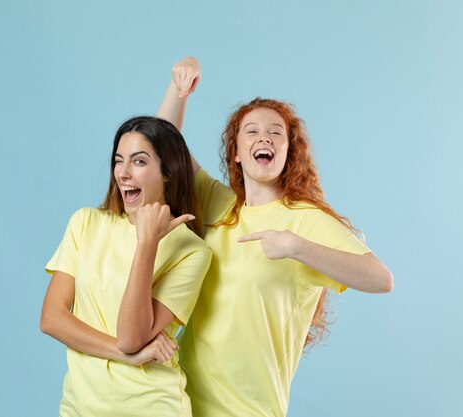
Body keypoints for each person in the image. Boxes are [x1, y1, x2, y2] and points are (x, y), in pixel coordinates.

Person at [157, 57, 394, 417]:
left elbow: (381, 279)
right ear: (236, 153)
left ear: (287, 151)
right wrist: (179, 89)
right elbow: (163, 146)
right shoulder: (220, 205)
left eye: (275, 132)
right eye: (251, 131)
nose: (264, 136)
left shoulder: (304, 220)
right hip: (180, 402)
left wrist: (296, 247)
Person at [40, 116, 212, 417]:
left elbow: (132, 336)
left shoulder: (191, 250)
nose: (124, 173)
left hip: (151, 406)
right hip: (80, 408)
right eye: (119, 161)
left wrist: (147, 242)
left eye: (139, 162)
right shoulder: (85, 223)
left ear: (168, 172)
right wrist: (127, 355)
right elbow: (52, 319)